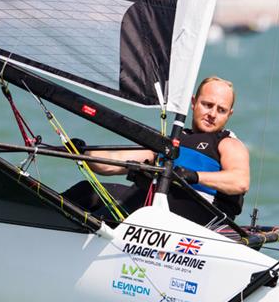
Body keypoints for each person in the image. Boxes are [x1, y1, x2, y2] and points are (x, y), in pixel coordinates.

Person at [62, 76, 249, 224]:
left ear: (229, 114)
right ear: (193, 102)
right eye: (207, 105)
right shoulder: (172, 140)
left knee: (116, 210)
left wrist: (194, 176)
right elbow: (114, 162)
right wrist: (84, 153)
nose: (212, 114)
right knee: (86, 192)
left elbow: (240, 181)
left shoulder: (227, 144)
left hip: (194, 221)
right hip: (151, 209)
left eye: (221, 110)